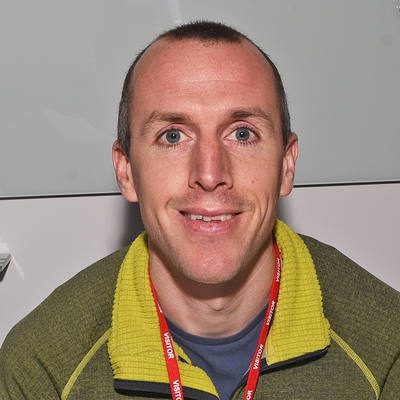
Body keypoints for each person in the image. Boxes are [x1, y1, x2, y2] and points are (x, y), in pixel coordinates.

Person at [0, 21, 399, 400]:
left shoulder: (387, 349)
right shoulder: (41, 368)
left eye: (242, 133)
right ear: (126, 171)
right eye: (173, 136)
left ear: (286, 165)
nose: (210, 174)